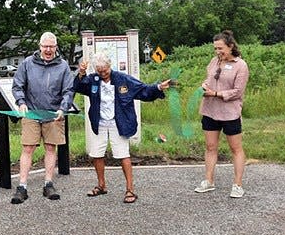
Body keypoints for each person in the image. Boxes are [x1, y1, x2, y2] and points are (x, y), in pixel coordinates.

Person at [73, 53, 170, 204]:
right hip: (99, 123)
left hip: (119, 123)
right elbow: (78, 86)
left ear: (110, 66)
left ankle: (130, 189)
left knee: (123, 155)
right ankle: (101, 185)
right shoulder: (93, 80)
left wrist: (158, 87)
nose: (103, 73)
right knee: (96, 154)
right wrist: (81, 73)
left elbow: (143, 90)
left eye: (105, 70)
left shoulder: (123, 79)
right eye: (99, 71)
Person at [10, 32, 74, 204]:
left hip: (53, 114)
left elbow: (68, 90)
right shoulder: (27, 64)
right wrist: (21, 103)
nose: (48, 50)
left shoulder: (63, 66)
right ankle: (22, 186)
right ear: (39, 46)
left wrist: (63, 108)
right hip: (31, 112)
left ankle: (48, 184)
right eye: (45, 46)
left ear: (56, 47)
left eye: (51, 46)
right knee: (28, 148)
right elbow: (17, 86)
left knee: (50, 148)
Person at [194, 30, 250, 198]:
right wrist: (204, 87)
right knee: (210, 147)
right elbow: (208, 80)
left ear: (230, 46)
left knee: (236, 148)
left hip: (229, 113)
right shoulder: (213, 62)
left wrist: (217, 94)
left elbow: (238, 92)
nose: (218, 52)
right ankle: (209, 181)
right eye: (215, 49)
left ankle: (237, 185)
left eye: (221, 48)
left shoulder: (241, 65)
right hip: (210, 111)